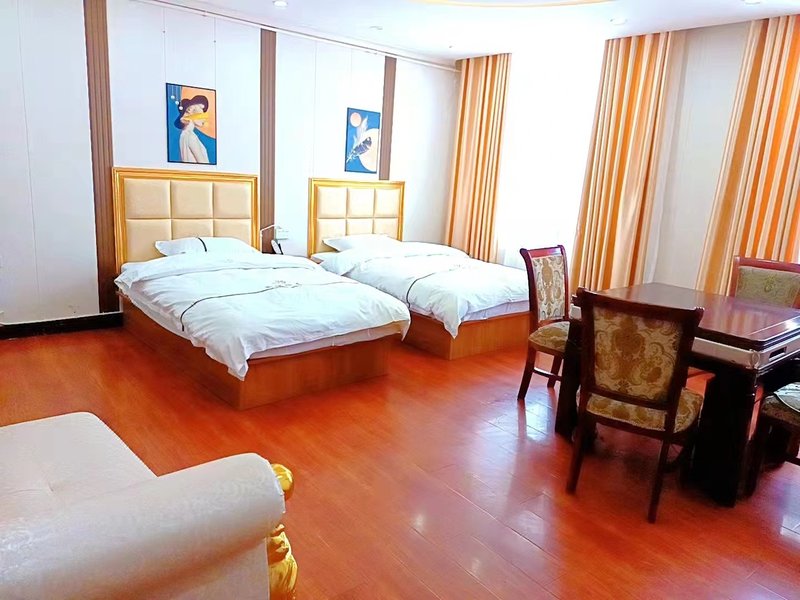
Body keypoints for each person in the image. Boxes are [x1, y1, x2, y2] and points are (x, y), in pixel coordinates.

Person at [174, 95, 210, 164]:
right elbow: (203, 164)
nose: (204, 118)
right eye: (201, 114)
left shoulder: (184, 135)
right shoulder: (191, 136)